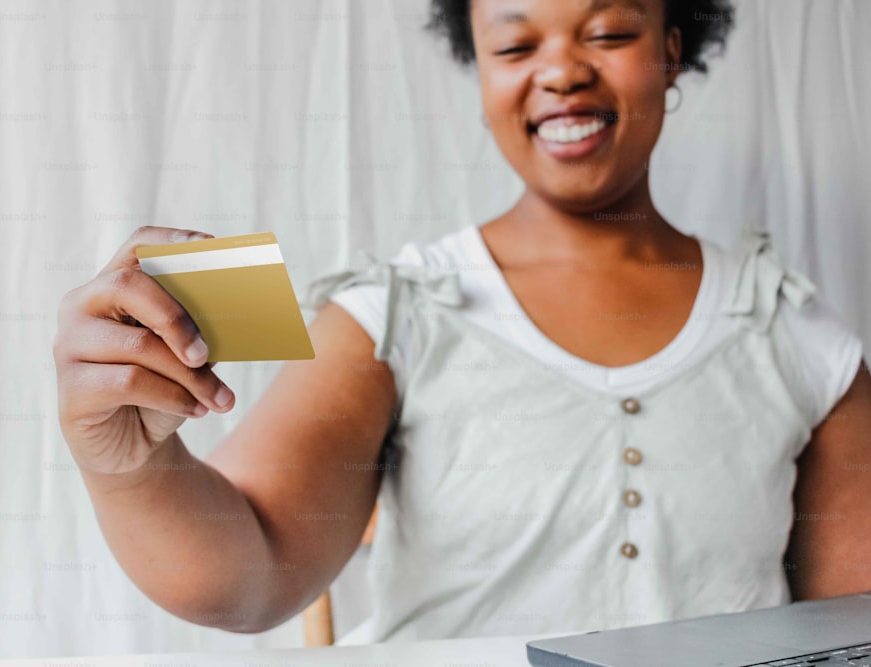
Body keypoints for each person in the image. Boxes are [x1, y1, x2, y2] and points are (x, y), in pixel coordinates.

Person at [53, 0, 871, 645]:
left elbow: (849, 632)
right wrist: (132, 470)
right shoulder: (391, 318)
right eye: (515, 48)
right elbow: (247, 572)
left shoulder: (793, 336)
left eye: (611, 31)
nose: (560, 72)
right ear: (479, 70)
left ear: (673, 48)